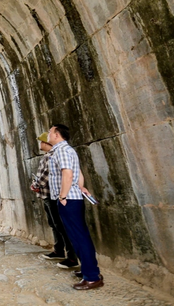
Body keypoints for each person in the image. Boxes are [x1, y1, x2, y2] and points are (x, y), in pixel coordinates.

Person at [47, 124, 103, 290]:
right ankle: (90, 270)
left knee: (79, 237)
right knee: (80, 236)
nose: (47, 134)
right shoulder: (67, 150)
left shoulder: (62, 150)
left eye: (50, 132)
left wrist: (63, 196)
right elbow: (78, 172)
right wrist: (81, 187)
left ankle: (92, 277)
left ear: (57, 134)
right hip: (73, 197)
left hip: (68, 199)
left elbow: (68, 173)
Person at [30, 132, 77, 268]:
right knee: (54, 224)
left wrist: (36, 185)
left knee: (60, 225)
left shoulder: (52, 155)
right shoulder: (47, 156)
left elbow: (47, 174)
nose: (39, 144)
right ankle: (59, 250)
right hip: (47, 194)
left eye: (41, 141)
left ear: (46, 143)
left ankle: (71, 256)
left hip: (52, 194)